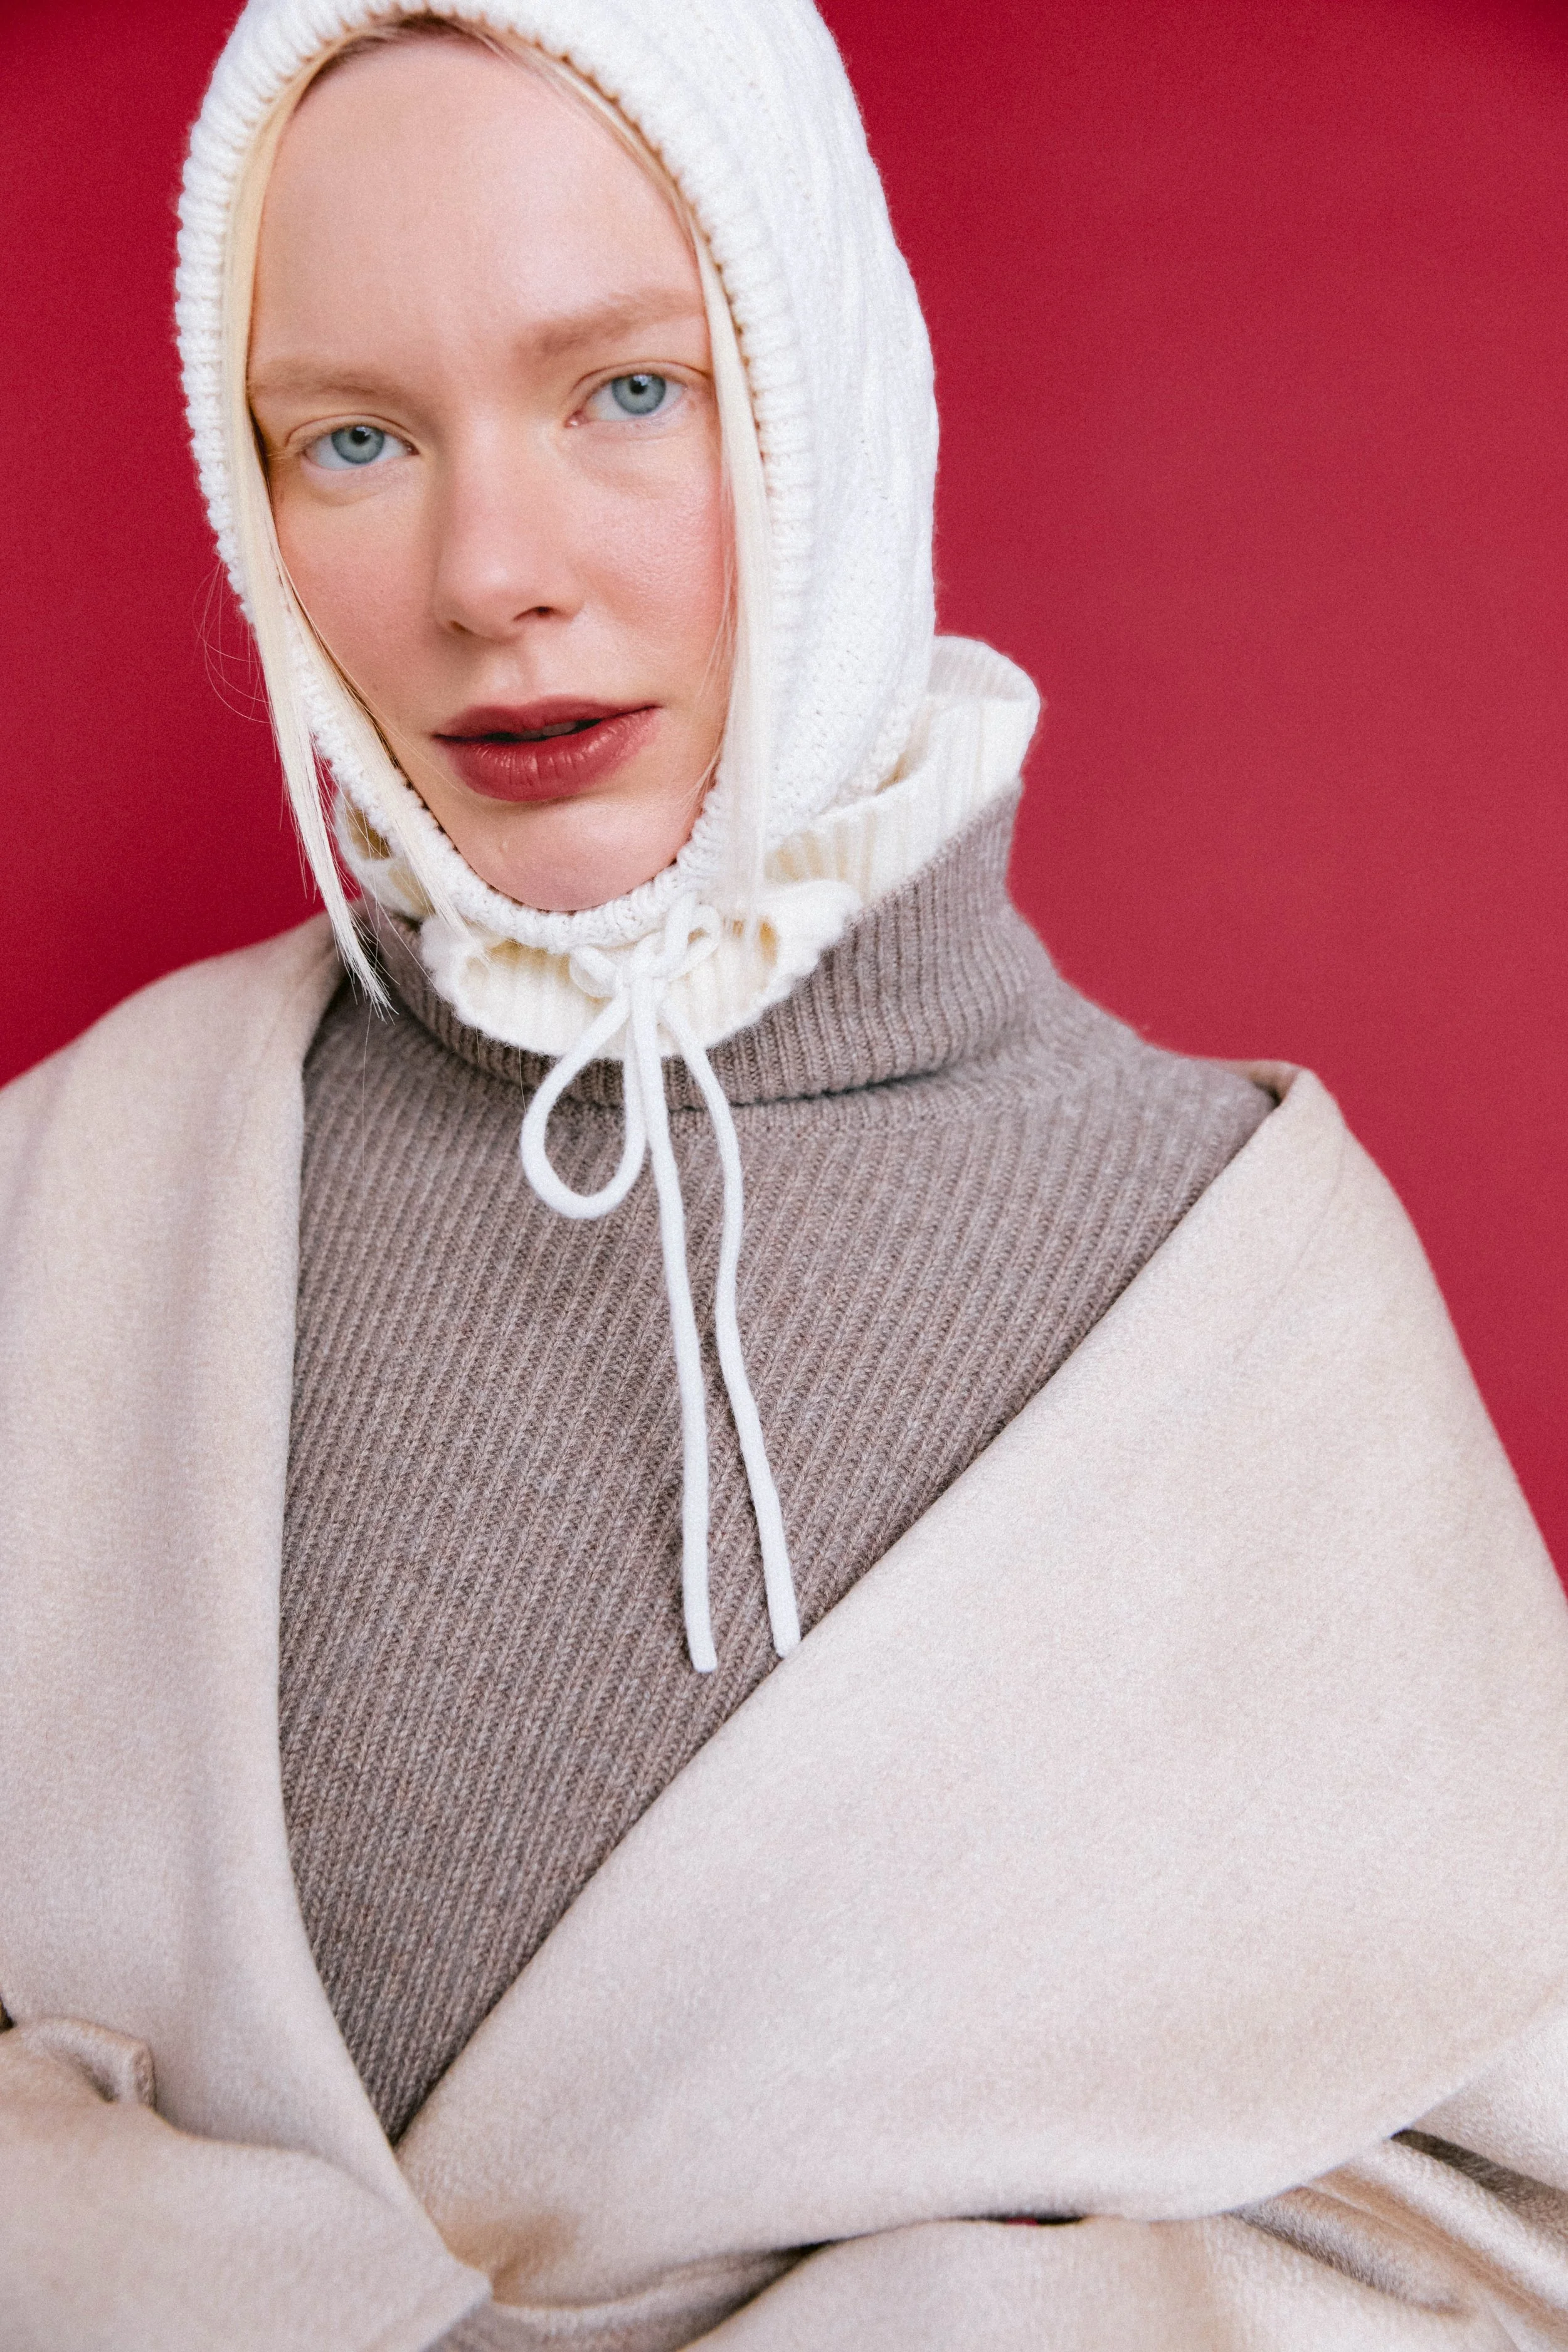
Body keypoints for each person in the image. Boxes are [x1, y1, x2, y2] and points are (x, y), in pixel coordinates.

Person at [3, 2, 1567, 2345]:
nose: (489, 570)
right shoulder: (74, 1182)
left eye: (628, 387)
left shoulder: (1231, 1283)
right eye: (350, 437)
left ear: (823, 374)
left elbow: (1489, 2230)